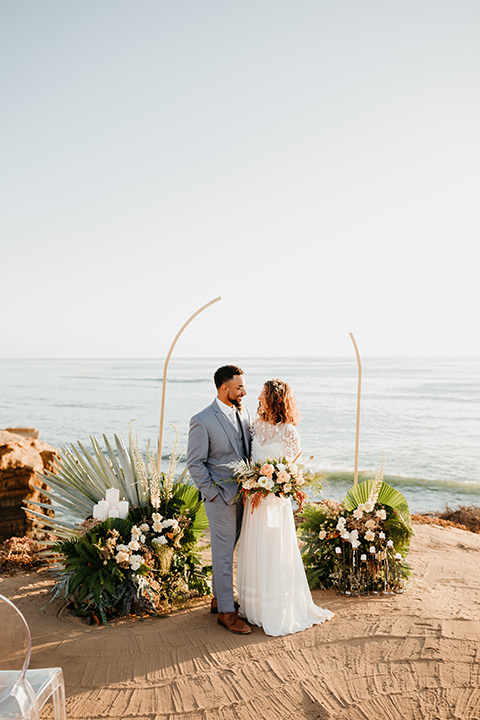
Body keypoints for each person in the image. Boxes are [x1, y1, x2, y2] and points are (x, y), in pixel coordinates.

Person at [236, 378, 334, 636]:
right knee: (254, 548)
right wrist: (255, 481)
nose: (258, 398)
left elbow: (294, 470)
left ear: (274, 399)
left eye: (262, 394)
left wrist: (280, 482)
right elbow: (249, 459)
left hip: (276, 502)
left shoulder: (290, 431)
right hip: (255, 502)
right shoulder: (255, 427)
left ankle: (276, 608)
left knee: (275, 551)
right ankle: (253, 607)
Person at [187, 365, 252, 635]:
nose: (244, 391)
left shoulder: (243, 414)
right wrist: (213, 494)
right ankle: (227, 612)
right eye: (239, 387)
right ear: (224, 388)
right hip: (220, 499)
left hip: (244, 496)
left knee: (229, 550)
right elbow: (195, 463)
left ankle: (218, 599)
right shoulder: (202, 420)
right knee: (224, 555)